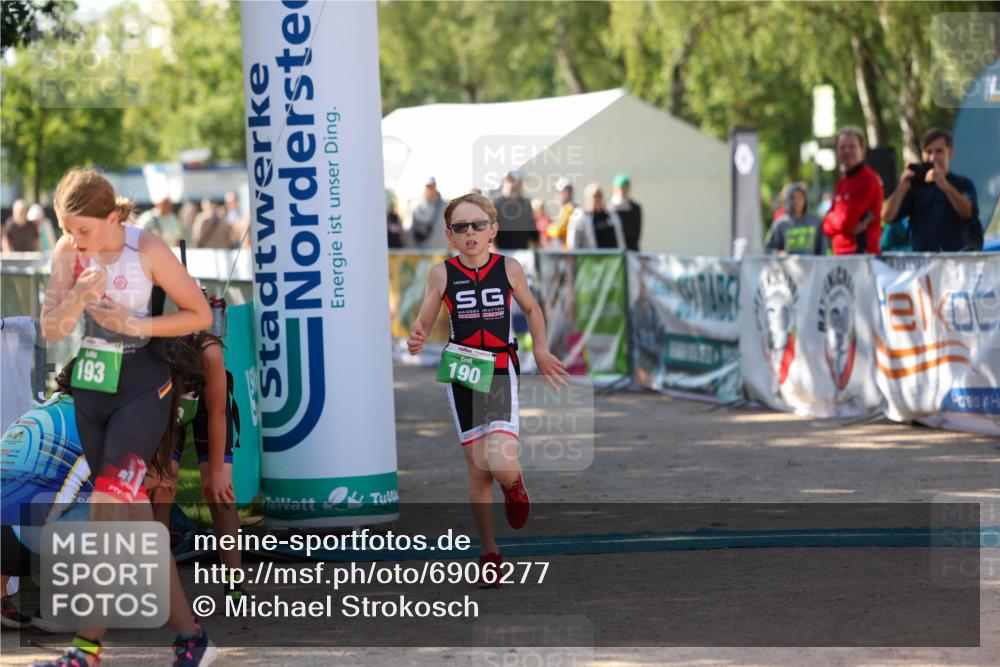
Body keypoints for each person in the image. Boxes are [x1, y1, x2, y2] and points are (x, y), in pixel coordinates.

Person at [37, 168, 215, 666]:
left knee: (107, 512)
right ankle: (190, 636)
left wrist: (136, 323)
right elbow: (52, 330)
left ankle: (86, 648)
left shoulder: (148, 249)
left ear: (113, 217)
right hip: (94, 389)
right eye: (67, 230)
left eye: (84, 230)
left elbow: (199, 314)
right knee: (136, 524)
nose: (76, 241)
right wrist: (76, 294)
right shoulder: (67, 254)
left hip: (143, 387)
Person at [406, 194, 568, 586]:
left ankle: (515, 485)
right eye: (461, 227)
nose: (470, 233)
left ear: (493, 230)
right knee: (478, 472)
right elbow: (426, 317)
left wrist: (541, 349)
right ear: (449, 236)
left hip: (497, 368)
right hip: (462, 371)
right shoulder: (441, 274)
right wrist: (418, 334)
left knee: (500, 463)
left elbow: (531, 309)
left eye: (478, 224)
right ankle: (490, 552)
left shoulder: (509, 268)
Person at [147, 331, 243, 598]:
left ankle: (234, 582)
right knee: (163, 485)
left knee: (220, 491)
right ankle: (157, 581)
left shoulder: (209, 352)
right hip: (166, 411)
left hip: (207, 410)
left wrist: (216, 473)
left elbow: (217, 413)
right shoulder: (149, 350)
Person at [882, 128, 981, 252]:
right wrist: (901, 189)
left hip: (957, 264)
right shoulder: (915, 187)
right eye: (928, 152)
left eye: (939, 151)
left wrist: (946, 187)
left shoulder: (963, 184)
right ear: (922, 154)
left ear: (950, 153)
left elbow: (969, 213)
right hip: (925, 265)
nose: (933, 157)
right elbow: (886, 217)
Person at [821, 126, 884, 255]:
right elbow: (825, 226)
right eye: (842, 147)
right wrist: (833, 220)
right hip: (841, 256)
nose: (847, 151)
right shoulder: (842, 182)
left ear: (862, 150)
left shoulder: (868, 179)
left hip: (860, 256)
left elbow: (847, 221)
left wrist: (832, 219)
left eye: (852, 146)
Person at [765, 182, 825, 255]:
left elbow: (823, 250)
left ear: (805, 199)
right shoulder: (780, 224)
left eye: (800, 197)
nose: (796, 201)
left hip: (812, 266)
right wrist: (778, 253)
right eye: (793, 197)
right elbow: (768, 249)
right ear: (788, 200)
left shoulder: (815, 221)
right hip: (787, 265)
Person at [567, 183, 626, 250]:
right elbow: (572, 244)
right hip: (590, 258)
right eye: (594, 196)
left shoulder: (612, 215)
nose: (597, 199)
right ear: (587, 198)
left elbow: (620, 240)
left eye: (599, 196)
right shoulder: (579, 216)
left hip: (612, 258)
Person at [492, 171, 538, 250]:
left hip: (523, 253)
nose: (519, 184)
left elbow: (532, 229)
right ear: (507, 180)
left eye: (520, 181)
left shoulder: (526, 203)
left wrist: (537, 244)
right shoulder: (496, 204)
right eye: (517, 181)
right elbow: (490, 231)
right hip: (502, 252)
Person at [409, 176, 449, 250]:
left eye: (432, 185)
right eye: (428, 186)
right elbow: (412, 232)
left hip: (441, 252)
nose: (430, 188)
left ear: (435, 186)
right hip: (423, 253)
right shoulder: (418, 208)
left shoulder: (446, 207)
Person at [609, 173, 642, 251]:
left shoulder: (635, 208)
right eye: (620, 188)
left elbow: (636, 233)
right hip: (612, 250)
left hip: (631, 249)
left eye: (625, 189)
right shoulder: (608, 207)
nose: (623, 192)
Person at [545, 178, 577, 248]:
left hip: (570, 252)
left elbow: (557, 231)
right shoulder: (568, 207)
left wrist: (547, 229)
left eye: (558, 192)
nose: (557, 195)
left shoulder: (570, 208)